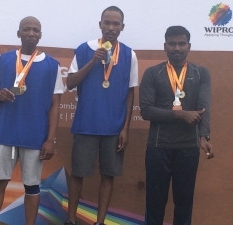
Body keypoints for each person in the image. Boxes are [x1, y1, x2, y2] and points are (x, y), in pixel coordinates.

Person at [0, 16, 64, 225]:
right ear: (18, 33)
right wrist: (0, 95)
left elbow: (56, 105)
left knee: (32, 187)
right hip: (5, 134)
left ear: (40, 34)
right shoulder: (4, 60)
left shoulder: (52, 66)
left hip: (35, 137)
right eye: (26, 29)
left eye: (35, 30)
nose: (31, 33)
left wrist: (50, 139)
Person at [64, 6, 138, 225]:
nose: (111, 28)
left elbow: (130, 93)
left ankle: (100, 221)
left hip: (114, 128)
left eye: (116, 24)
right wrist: (93, 61)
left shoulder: (129, 54)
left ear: (122, 27)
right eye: (107, 22)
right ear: (100, 24)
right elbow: (70, 83)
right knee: (78, 174)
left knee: (108, 175)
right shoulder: (84, 49)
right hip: (86, 124)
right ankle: (71, 220)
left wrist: (125, 128)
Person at [139, 25, 214, 225]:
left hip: (188, 148)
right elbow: (146, 111)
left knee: (184, 204)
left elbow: (204, 108)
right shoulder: (152, 73)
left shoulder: (201, 73)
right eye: (172, 44)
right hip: (158, 147)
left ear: (189, 46)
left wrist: (204, 136)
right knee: (154, 203)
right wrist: (181, 115)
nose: (177, 48)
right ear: (165, 46)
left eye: (182, 43)